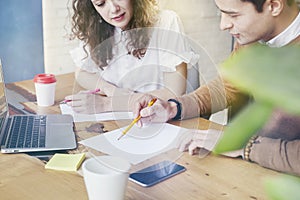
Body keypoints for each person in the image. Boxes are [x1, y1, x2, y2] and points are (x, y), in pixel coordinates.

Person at [133, 0, 300, 176]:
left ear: (273, 5)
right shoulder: (254, 38)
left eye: (233, 15)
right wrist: (174, 108)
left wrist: (245, 146)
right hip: (249, 170)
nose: (223, 25)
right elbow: (229, 86)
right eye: (221, 13)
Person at [64, 0, 198, 114]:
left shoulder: (166, 21)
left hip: (162, 118)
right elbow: (82, 72)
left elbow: (174, 92)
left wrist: (107, 104)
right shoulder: (96, 29)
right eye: (101, 3)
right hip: (122, 119)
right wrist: (110, 90)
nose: (114, 9)